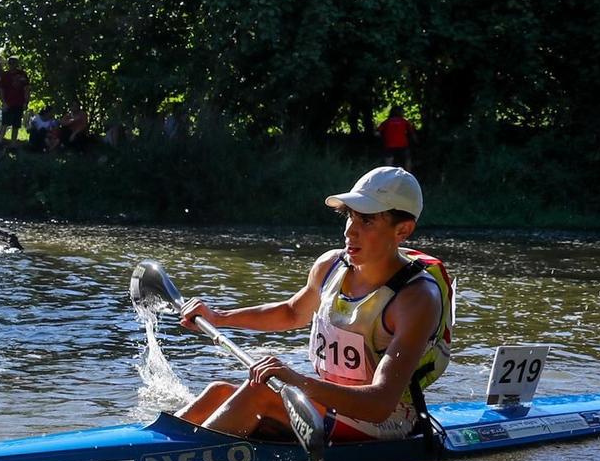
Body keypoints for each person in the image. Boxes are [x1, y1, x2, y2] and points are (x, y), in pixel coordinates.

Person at [174, 167, 453, 445]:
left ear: (402, 230)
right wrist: (218, 317)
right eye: (350, 216)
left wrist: (296, 381)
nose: (350, 231)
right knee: (218, 392)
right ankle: (159, 449)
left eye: (367, 221)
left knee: (259, 394)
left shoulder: (416, 298)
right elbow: (292, 312)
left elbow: (379, 404)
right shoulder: (330, 265)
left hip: (386, 420)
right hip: (333, 404)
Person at [0, 59, 30, 142]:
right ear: (8, 64)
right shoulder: (5, 75)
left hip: (19, 103)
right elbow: (1, 90)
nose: (12, 65)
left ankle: (13, 144)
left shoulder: (22, 74)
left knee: (16, 125)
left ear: (17, 64)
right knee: (4, 124)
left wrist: (26, 102)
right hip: (8, 103)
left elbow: (26, 89)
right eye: (11, 64)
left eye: (14, 63)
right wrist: (4, 102)